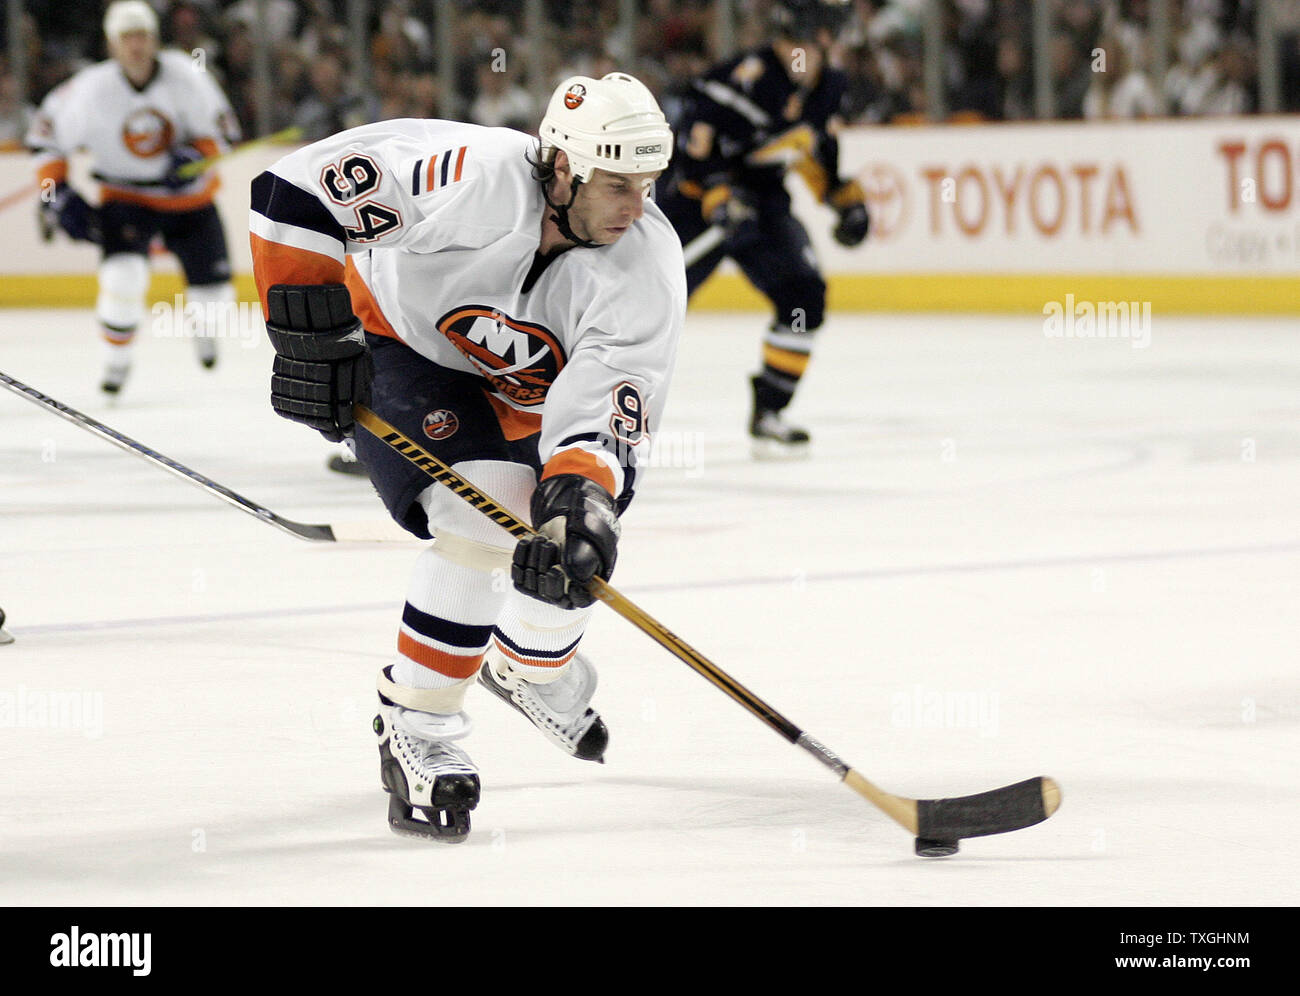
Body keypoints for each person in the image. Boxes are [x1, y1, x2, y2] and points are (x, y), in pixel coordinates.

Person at [250, 72, 685, 842]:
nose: (635, 206)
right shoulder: (467, 176)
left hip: (524, 396)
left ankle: (532, 664)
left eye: (646, 184)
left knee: (568, 542)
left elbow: (603, 412)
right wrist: (308, 333)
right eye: (617, 184)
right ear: (563, 168)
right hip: (400, 344)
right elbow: (295, 191)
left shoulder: (645, 263)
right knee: (486, 514)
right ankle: (415, 723)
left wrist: (580, 502)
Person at [654, 0, 869, 454]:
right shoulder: (740, 78)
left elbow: (812, 144)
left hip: (764, 204)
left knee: (803, 296)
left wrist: (840, 198)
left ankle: (770, 410)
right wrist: (717, 194)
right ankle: (596, 409)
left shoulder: (830, 84)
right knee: (650, 305)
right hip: (694, 203)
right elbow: (693, 141)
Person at [26, 0, 241, 395]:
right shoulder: (90, 89)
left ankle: (205, 329)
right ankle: (117, 361)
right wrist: (54, 194)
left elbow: (225, 135)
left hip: (190, 201)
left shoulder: (187, 74)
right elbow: (44, 141)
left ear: (155, 39)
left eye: (142, 35)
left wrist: (197, 156)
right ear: (111, 44)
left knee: (216, 298)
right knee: (121, 279)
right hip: (126, 199)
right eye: (126, 38)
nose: (136, 46)